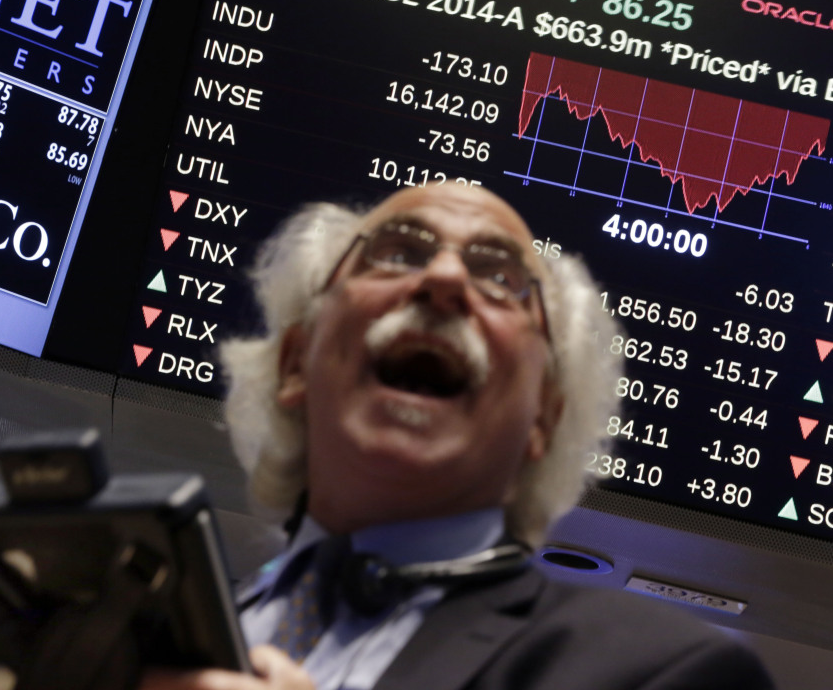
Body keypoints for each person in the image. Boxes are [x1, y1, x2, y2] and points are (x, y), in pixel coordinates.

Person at [143, 183, 774, 690]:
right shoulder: (138, 633)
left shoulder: (666, 670)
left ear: (542, 419)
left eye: (499, 276)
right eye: (398, 252)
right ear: (295, 364)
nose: (443, 280)